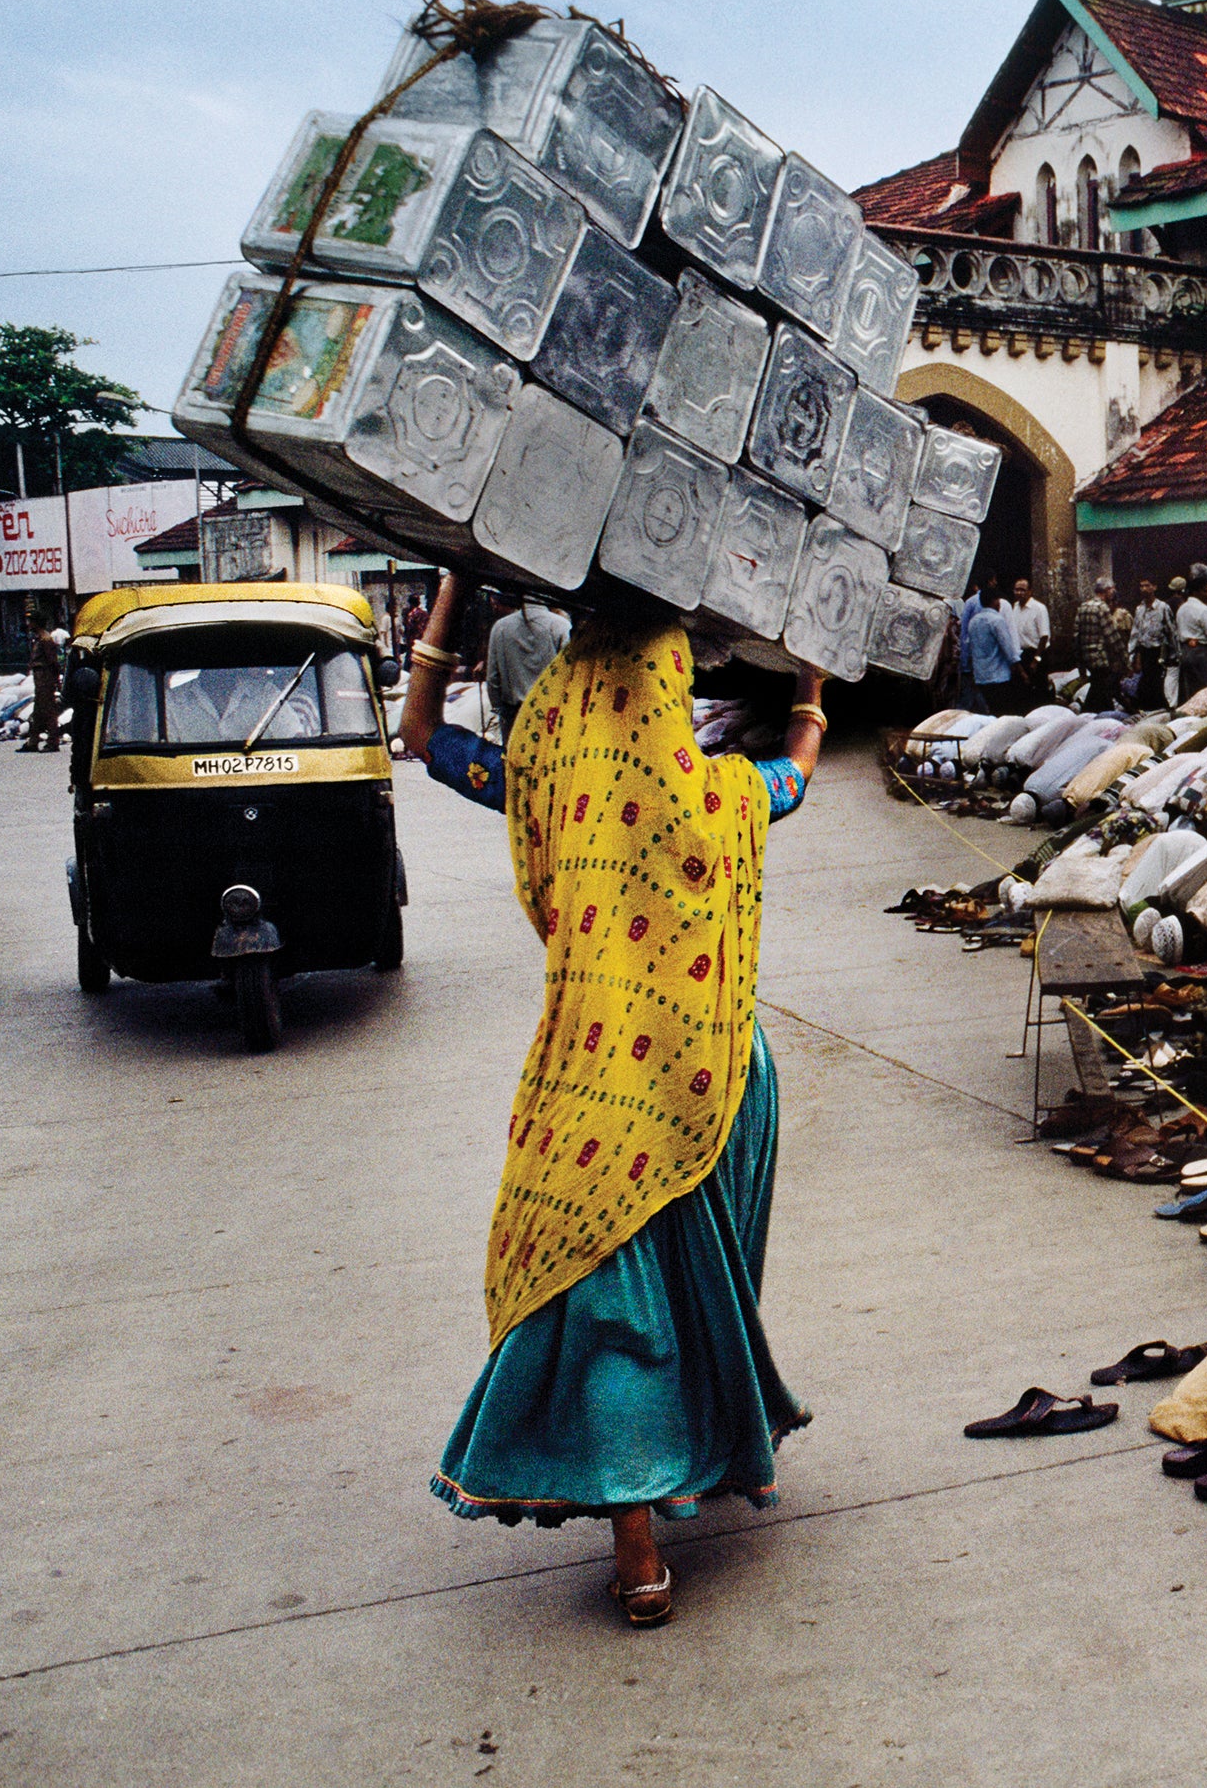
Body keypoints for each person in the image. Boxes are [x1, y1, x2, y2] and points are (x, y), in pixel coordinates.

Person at [392, 571, 822, 1631]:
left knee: (612, 1301)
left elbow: (420, 736)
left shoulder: (540, 768)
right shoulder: (713, 794)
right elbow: (796, 777)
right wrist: (812, 684)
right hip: (714, 1078)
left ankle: (640, 1549)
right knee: (682, 1296)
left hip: (589, 1081)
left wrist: (451, 588)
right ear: (668, 686)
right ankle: (660, 1499)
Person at [485, 593, 571, 742]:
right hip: (549, 715)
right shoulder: (561, 626)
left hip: (513, 715)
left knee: (512, 760)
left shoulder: (500, 627)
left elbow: (493, 678)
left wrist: (499, 710)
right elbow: (569, 675)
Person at [961, 588, 1021, 713]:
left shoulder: (973, 622)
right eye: (998, 601)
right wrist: (1019, 668)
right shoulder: (996, 620)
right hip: (999, 675)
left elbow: (969, 646)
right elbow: (1007, 647)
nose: (999, 604)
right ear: (994, 601)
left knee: (991, 709)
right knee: (1003, 711)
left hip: (981, 676)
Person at [1175, 569, 1207, 697]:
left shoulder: (1182, 609)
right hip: (1203, 653)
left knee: (1193, 691)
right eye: (1205, 591)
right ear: (1195, 592)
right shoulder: (1203, 610)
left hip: (1186, 652)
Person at [1072, 578, 1122, 700]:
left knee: (1097, 687)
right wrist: (1124, 659)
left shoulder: (1083, 607)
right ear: (1107, 590)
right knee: (1102, 690)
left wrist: (1080, 662)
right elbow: (1112, 636)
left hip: (1087, 658)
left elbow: (1076, 636)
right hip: (1101, 657)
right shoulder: (1102, 608)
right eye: (1112, 589)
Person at [19, 613, 64, 752]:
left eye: (31, 622)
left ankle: (52, 742)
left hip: (45, 678)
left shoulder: (45, 639)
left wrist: (56, 680)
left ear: (37, 623)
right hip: (40, 679)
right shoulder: (39, 639)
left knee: (48, 711)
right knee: (38, 712)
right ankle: (33, 742)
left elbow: (53, 661)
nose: (29, 624)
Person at [999, 579, 1051, 698]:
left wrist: (1036, 660)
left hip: (1037, 654)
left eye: (1022, 590)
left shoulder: (1039, 608)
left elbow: (1044, 636)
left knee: (1039, 690)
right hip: (1021, 655)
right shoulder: (1014, 607)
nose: (1019, 593)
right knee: (1021, 690)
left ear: (1030, 592)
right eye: (1017, 590)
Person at [1126, 576, 1172, 707]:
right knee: (1145, 681)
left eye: (1147, 585)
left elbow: (1170, 631)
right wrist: (1131, 655)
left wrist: (1174, 653)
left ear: (1154, 587)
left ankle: (1161, 708)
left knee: (1156, 682)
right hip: (1144, 652)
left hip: (1158, 651)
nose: (1144, 589)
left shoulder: (1163, 608)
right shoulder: (1139, 610)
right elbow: (1135, 633)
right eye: (1142, 586)